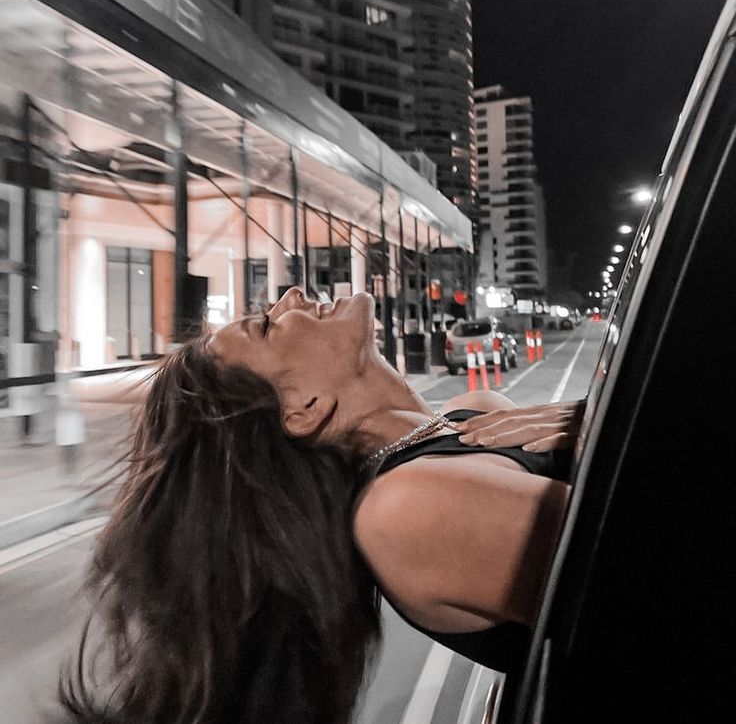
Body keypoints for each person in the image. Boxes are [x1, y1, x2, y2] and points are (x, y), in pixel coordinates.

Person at [59, 287, 584, 724]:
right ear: (303, 409)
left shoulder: (474, 412)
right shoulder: (406, 509)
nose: (291, 297)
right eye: (267, 325)